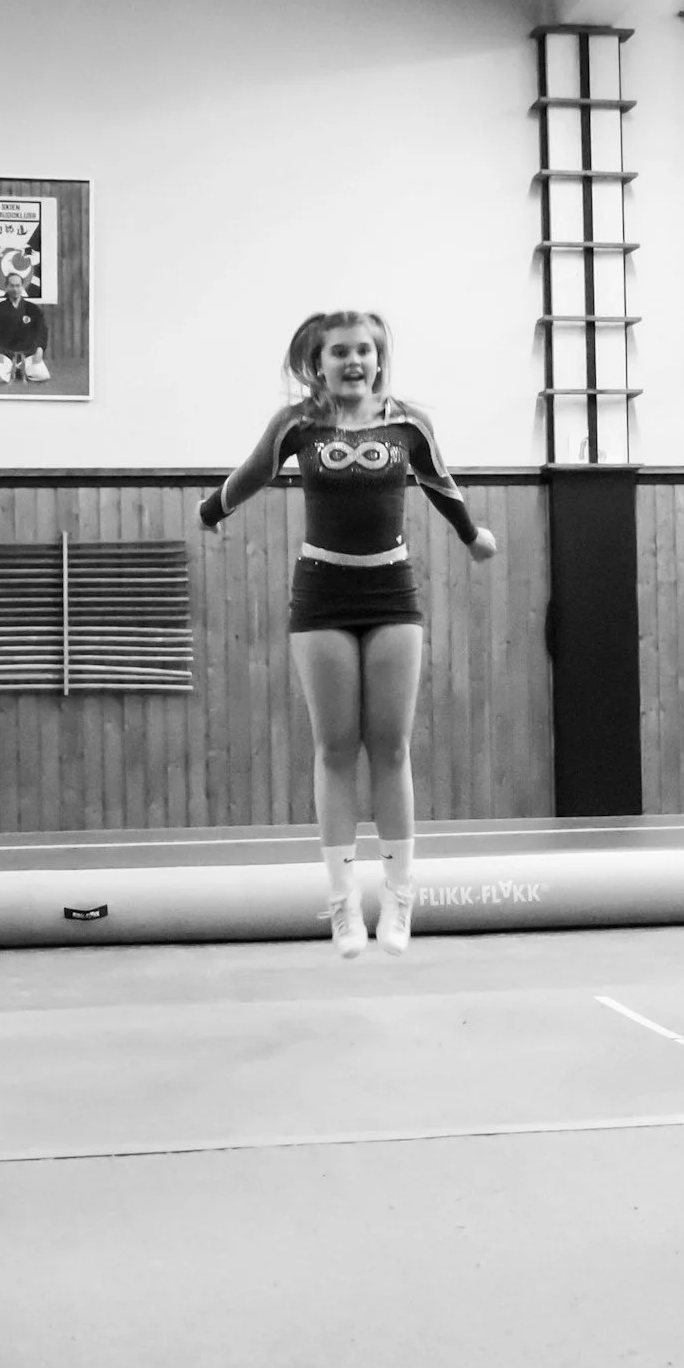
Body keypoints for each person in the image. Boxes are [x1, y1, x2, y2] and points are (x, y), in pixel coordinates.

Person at [199, 311, 497, 957]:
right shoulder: (297, 425)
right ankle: (340, 905)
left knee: (389, 748)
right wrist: (213, 507)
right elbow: (254, 470)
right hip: (322, 593)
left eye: (365, 349)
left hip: (391, 592)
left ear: (381, 357)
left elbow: (440, 483)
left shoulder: (408, 422)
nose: (354, 360)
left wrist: (472, 537)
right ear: (318, 362)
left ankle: (398, 897)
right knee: (336, 748)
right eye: (340, 352)